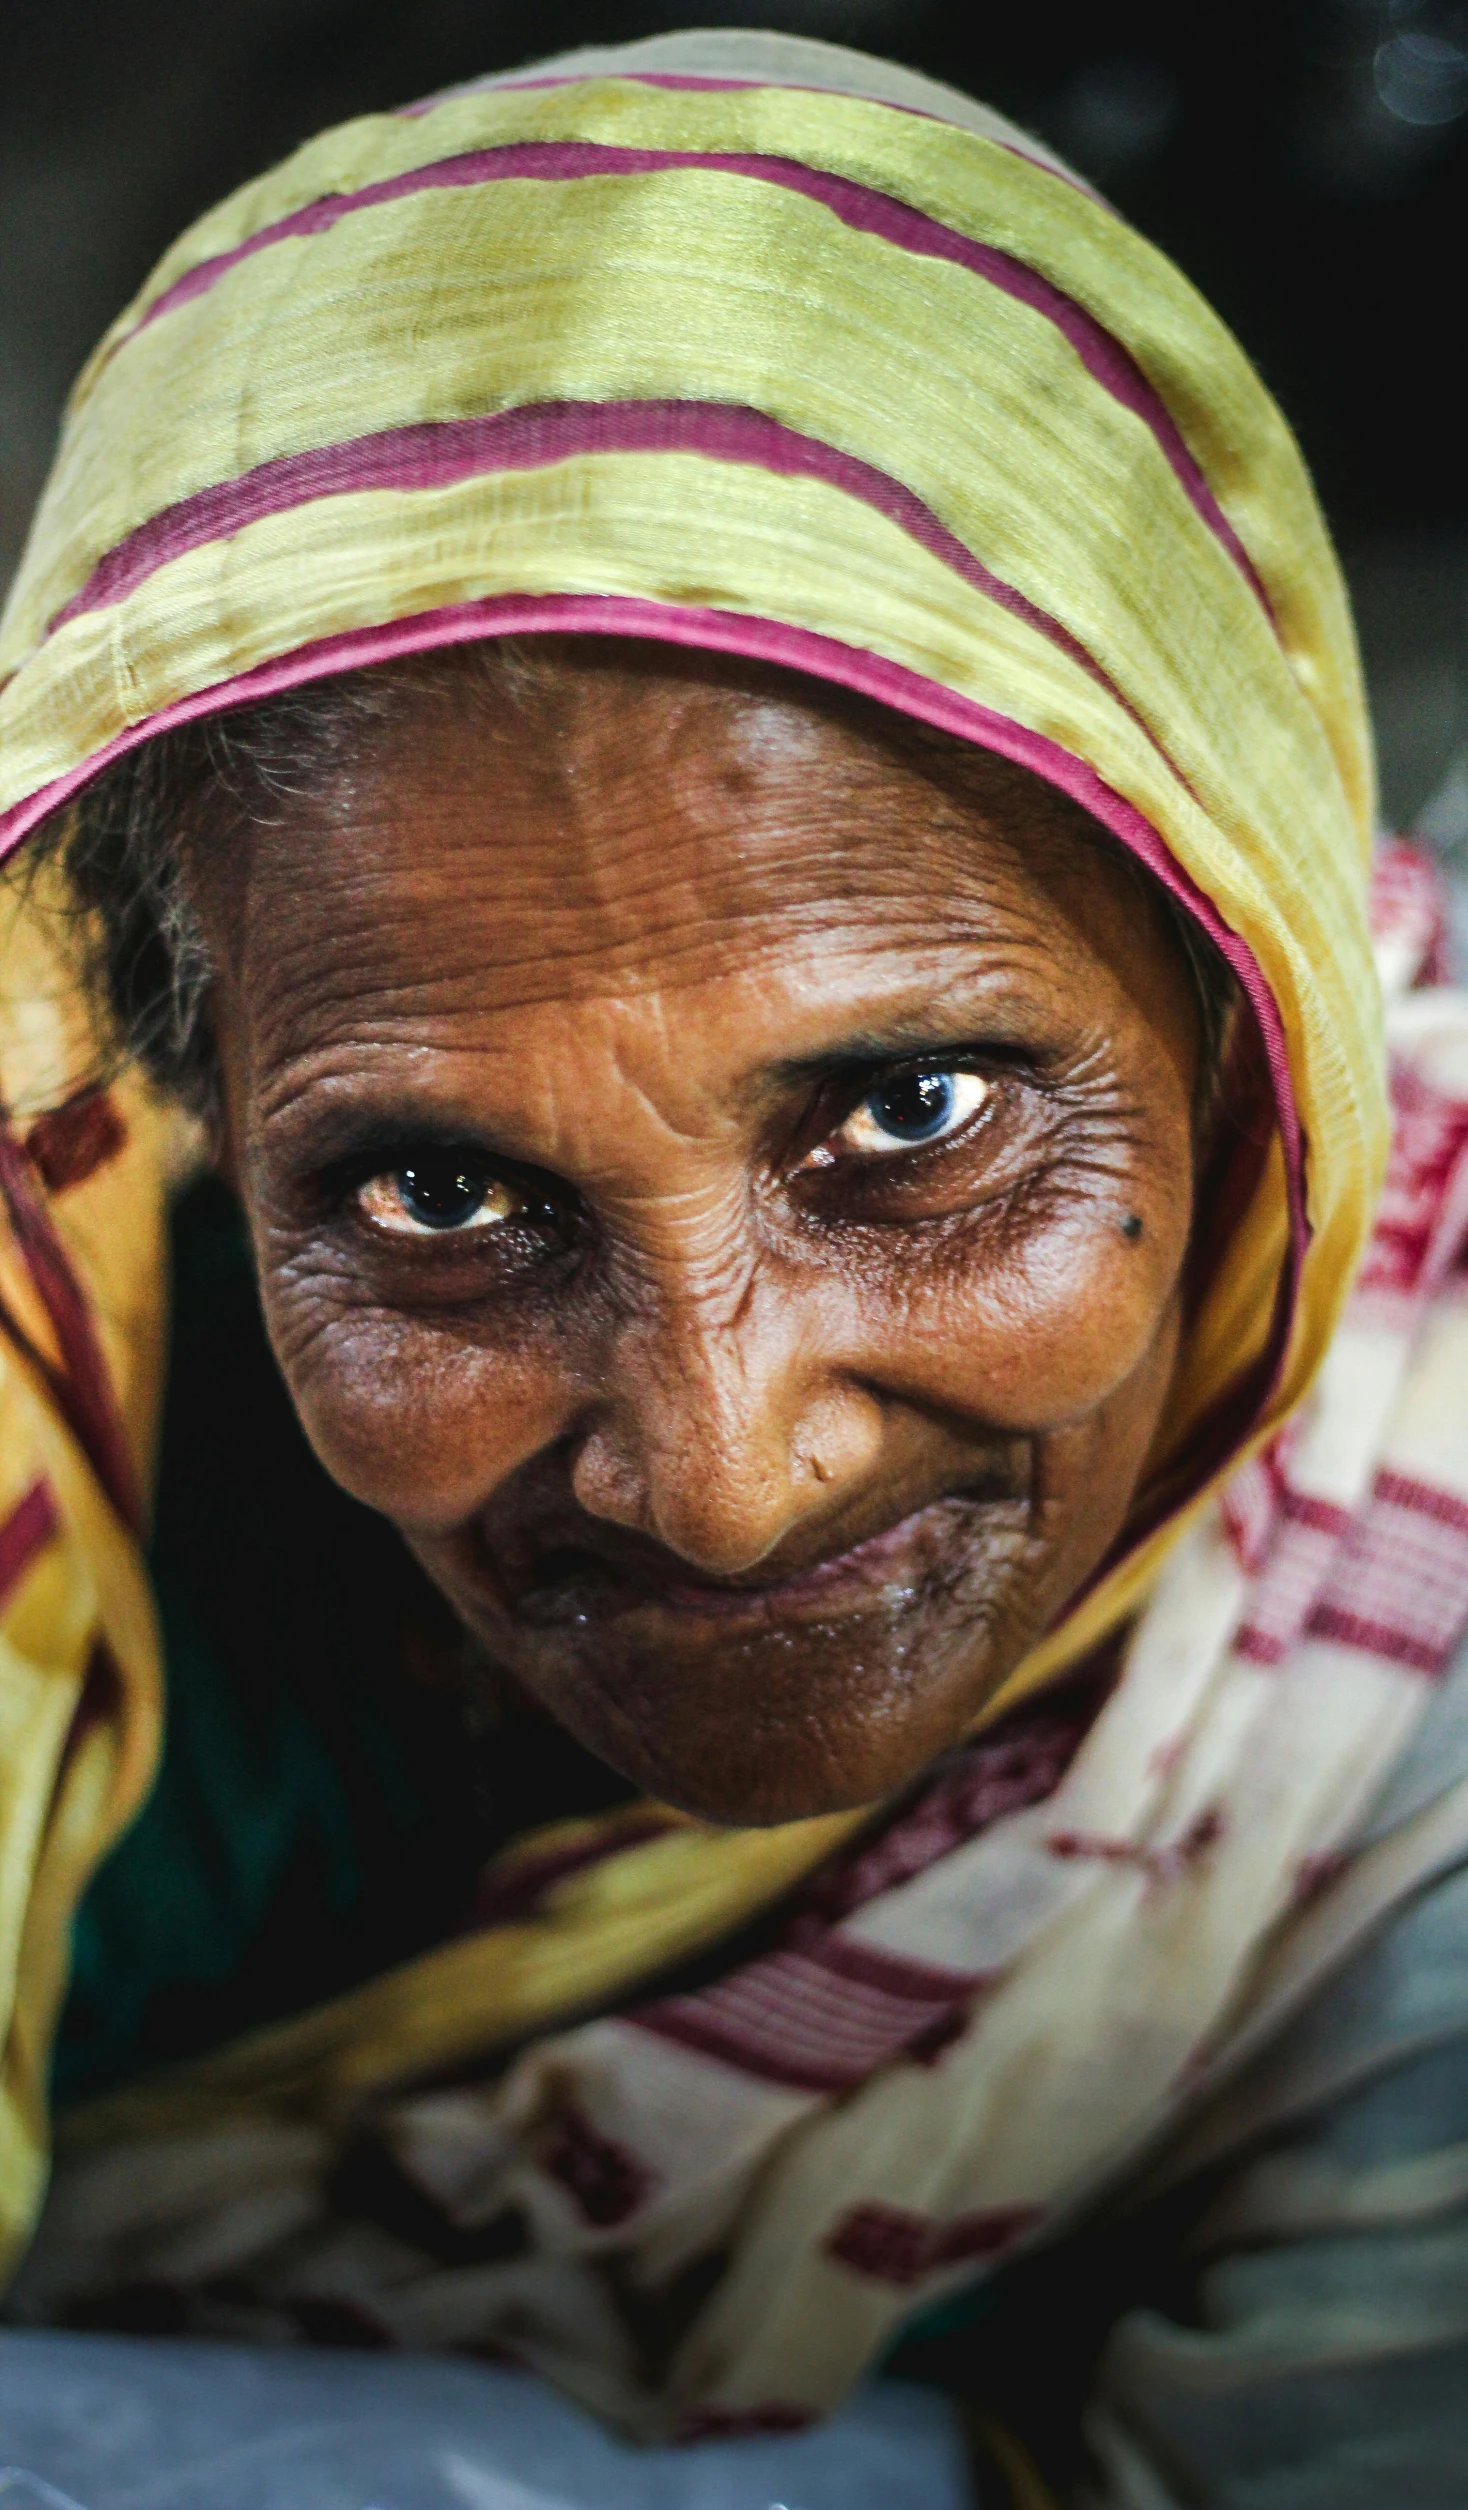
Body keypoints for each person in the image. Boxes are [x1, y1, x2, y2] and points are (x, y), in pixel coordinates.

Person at [1, 28, 1466, 2505]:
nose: (716, 1472)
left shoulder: (1404, 1616)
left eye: (913, 1119)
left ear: (1251, 1036)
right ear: (175, 1089)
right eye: (436, 1201)